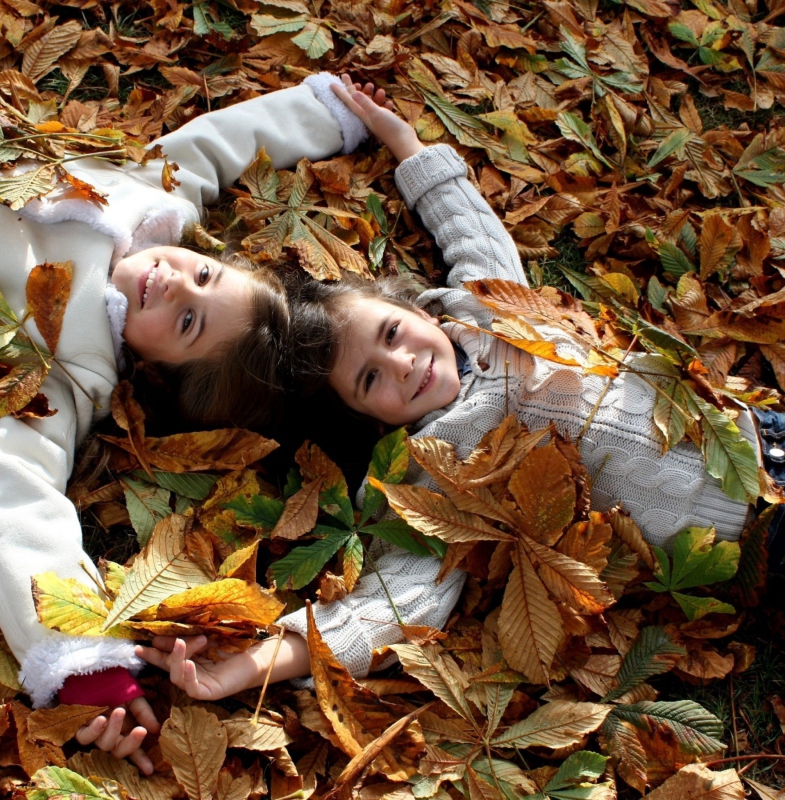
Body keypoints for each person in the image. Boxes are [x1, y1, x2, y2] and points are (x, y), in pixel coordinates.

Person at [135, 75, 779, 707]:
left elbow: (470, 229)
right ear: (364, 420)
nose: (403, 363)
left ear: (415, 311)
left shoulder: (483, 313)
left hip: (749, 426)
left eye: (392, 333)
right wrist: (257, 663)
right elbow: (395, 603)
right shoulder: (432, 475)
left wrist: (405, 142)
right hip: (753, 534)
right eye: (370, 381)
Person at [0, 66, 380, 772]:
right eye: (203, 276)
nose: (175, 281)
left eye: (184, 322)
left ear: (155, 371)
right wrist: (326, 111)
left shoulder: (68, 361)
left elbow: (8, 489)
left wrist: (83, 658)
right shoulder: (154, 206)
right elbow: (213, 145)